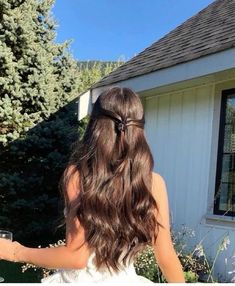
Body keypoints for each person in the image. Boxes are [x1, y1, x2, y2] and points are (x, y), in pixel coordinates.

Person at [0, 87, 185, 284]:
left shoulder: (78, 176)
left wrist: (15, 251)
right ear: (139, 130)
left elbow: (76, 257)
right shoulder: (153, 183)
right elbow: (166, 257)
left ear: (95, 127)